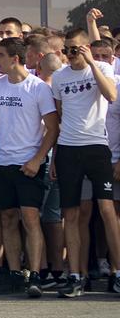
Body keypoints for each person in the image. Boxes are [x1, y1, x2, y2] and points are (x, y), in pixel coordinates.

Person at [0, 37, 58, 297]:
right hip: (0, 162)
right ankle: (13, 274)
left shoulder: (38, 88)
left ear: (15, 59)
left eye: (0, 55)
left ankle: (34, 274)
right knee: (7, 218)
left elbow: (53, 128)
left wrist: (37, 159)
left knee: (31, 218)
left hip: (29, 164)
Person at [49, 22, 117, 298]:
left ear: (86, 48)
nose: (70, 54)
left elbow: (111, 95)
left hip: (97, 146)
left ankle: (117, 272)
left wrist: (90, 62)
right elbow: (59, 115)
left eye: (74, 49)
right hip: (68, 148)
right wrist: (55, 156)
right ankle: (76, 275)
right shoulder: (60, 77)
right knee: (71, 214)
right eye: (66, 50)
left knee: (107, 210)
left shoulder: (102, 68)